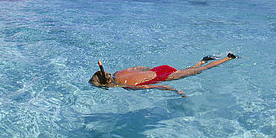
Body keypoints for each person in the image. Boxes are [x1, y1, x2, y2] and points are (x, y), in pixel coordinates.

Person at [89, 53, 238, 95]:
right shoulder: (119, 73)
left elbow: (158, 86)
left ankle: (228, 58)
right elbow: (139, 67)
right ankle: (202, 61)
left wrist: (175, 90)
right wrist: (149, 71)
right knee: (189, 70)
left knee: (200, 72)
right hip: (158, 69)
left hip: (163, 76)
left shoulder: (128, 86)